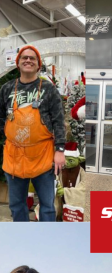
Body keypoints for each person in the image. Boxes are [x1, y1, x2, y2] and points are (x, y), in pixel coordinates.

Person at [0, 45, 66, 221]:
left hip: (42, 155)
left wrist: (59, 150)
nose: (28, 60)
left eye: (32, 58)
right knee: (16, 205)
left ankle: (46, 243)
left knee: (47, 205)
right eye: (24, 58)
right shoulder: (6, 89)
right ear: (18, 63)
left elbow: (59, 120)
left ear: (38, 65)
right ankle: (23, 242)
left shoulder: (48, 89)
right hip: (14, 156)